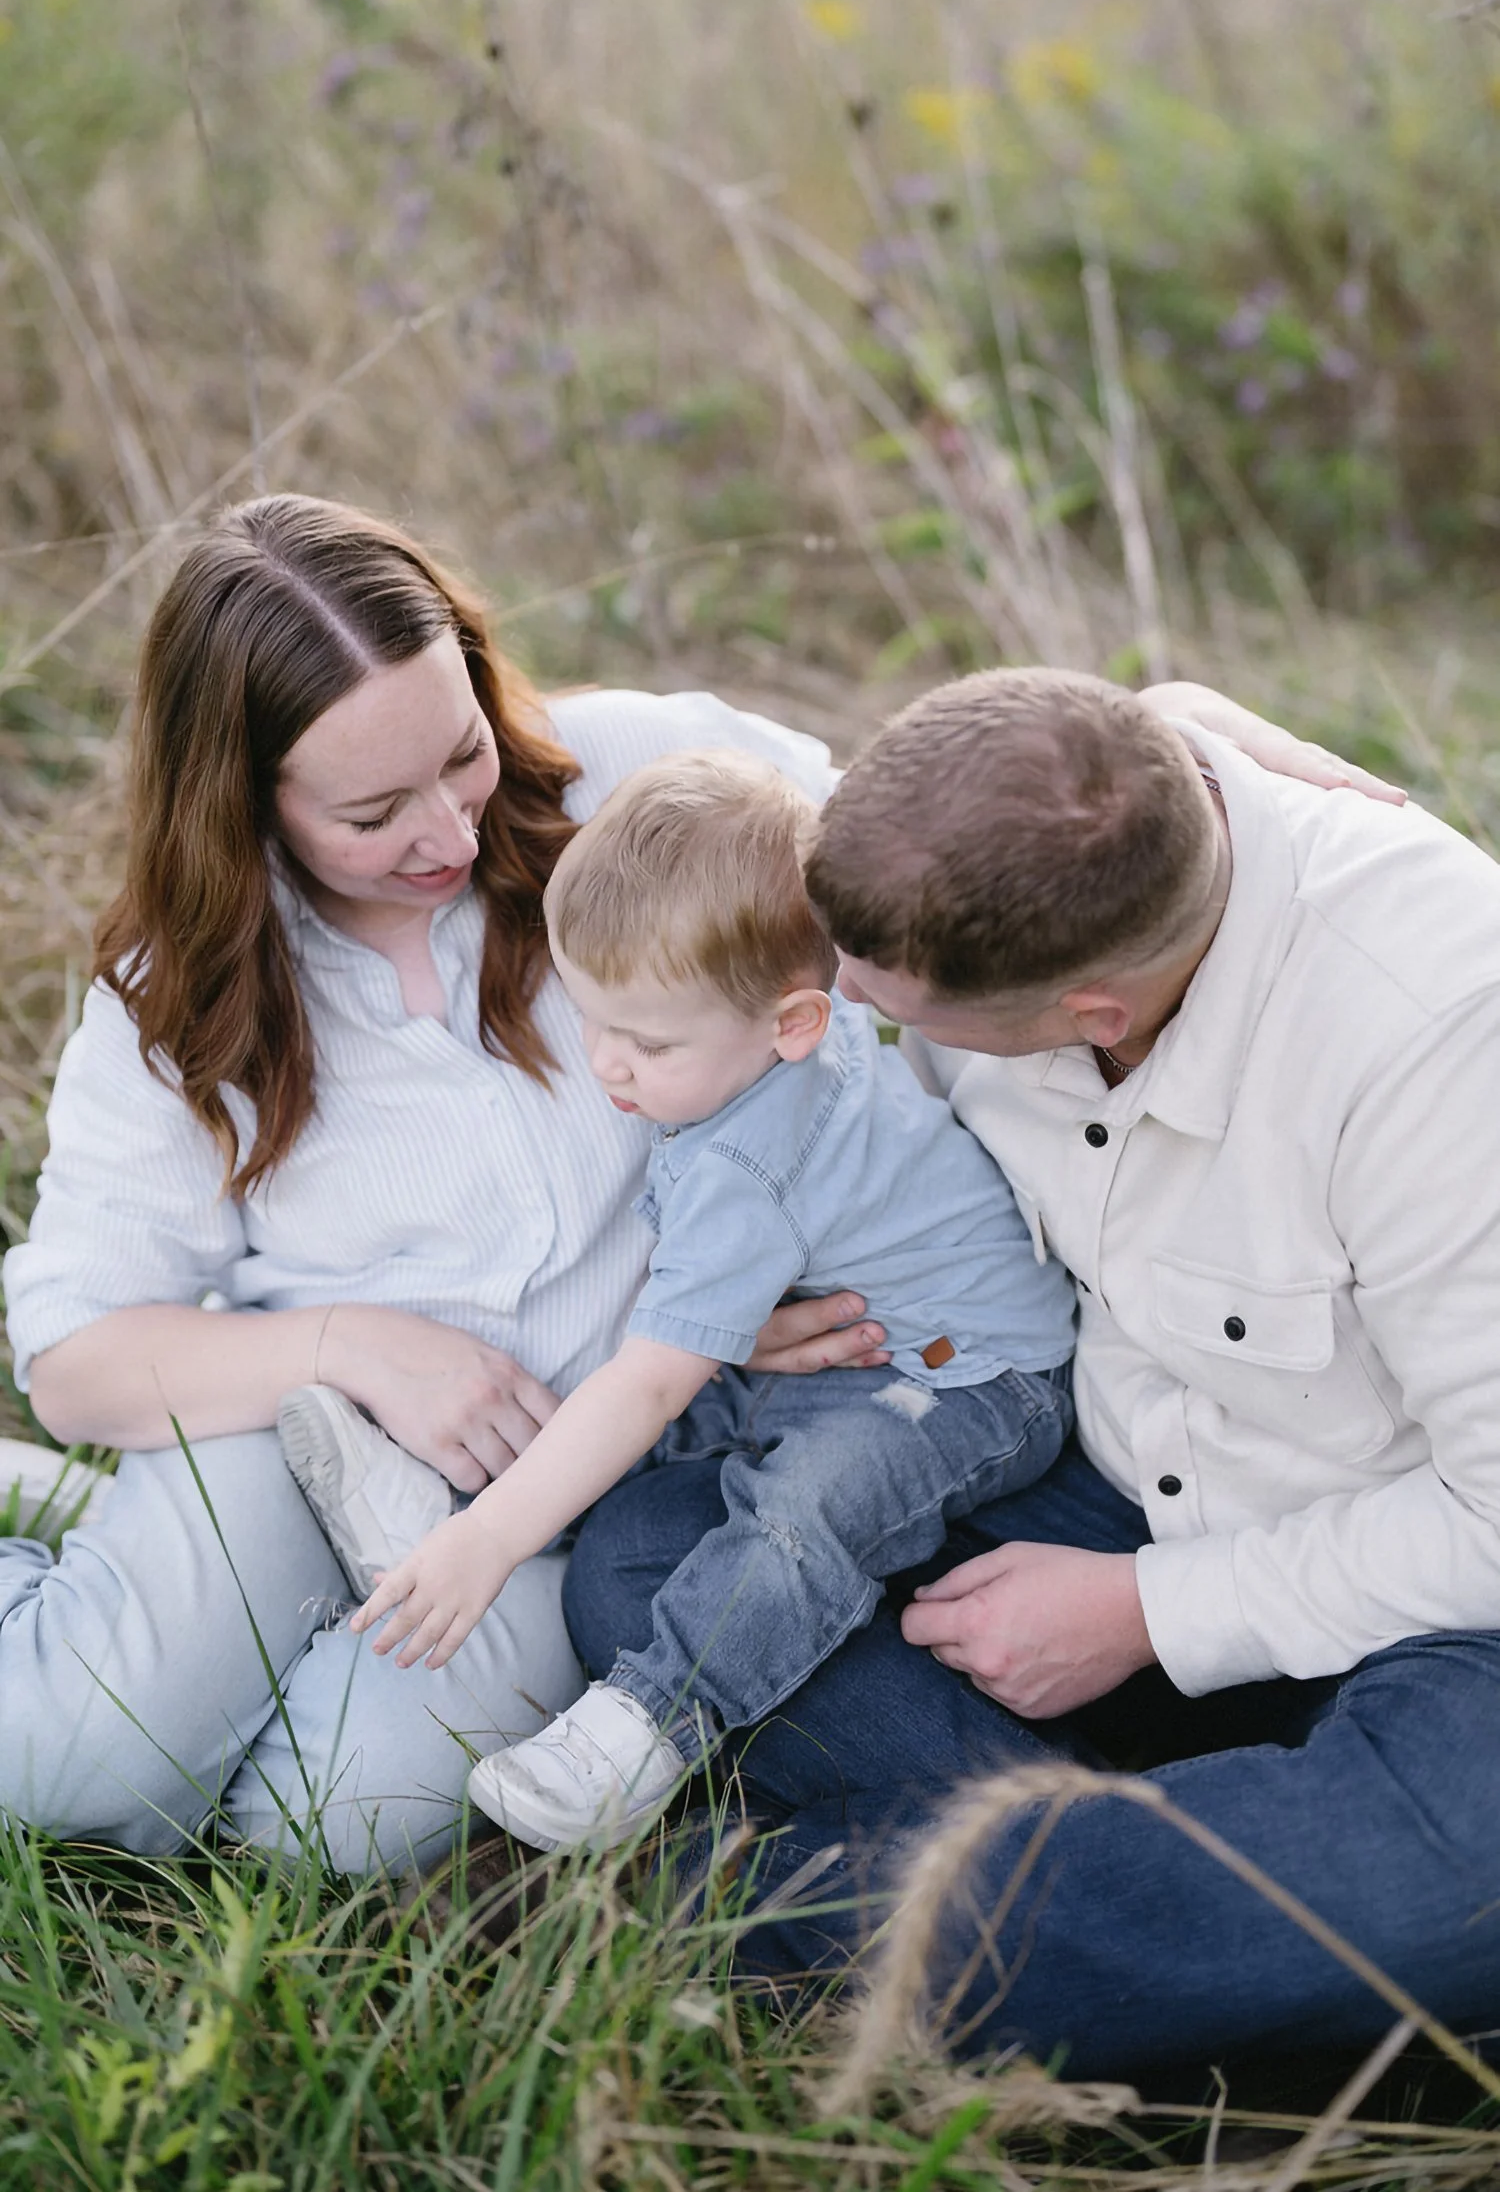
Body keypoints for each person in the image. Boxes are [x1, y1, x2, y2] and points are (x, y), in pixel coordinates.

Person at [563, 665, 1500, 2082]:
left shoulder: (1439, 1040)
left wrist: (1147, 1611)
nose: (845, 1021)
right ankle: (1175, 1889)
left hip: (1432, 1600)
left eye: (896, 1016)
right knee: (648, 1554)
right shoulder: (1054, 815)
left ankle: (761, 1901)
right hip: (1113, 1467)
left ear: (1090, 1013)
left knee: (1445, 1892)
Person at [0, 491, 876, 1876]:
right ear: (244, 805)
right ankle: (75, 1580)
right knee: (77, 1759)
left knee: (330, 1824)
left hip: (564, 1508)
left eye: (458, 754)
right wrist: (360, 1347)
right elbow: (77, 1357)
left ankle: (124, 1569)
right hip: (301, 1445)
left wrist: (714, 1308)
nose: (449, 836)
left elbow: (914, 838)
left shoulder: (632, 779)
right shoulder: (182, 991)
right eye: (370, 811)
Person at [295, 750, 1073, 1850]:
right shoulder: (767, 1022)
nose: (610, 1066)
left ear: (795, 1021)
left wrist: (495, 1545)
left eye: (649, 1042)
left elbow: (651, 1380)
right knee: (697, 1425)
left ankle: (649, 1723)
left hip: (970, 1378)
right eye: (593, 1019)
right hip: (857, 1336)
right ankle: (452, 1516)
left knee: (805, 1506)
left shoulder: (743, 1166)